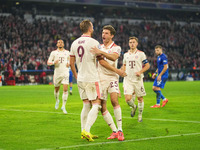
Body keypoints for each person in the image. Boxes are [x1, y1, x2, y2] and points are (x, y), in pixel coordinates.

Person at [91, 25, 125, 141]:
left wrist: (100, 52)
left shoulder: (116, 47)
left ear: (112, 35)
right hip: (100, 78)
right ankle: (114, 131)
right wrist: (118, 71)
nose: (103, 35)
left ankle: (120, 130)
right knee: (102, 107)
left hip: (112, 78)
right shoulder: (98, 47)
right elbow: (101, 62)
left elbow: (113, 58)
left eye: (106, 33)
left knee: (114, 100)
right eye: (102, 32)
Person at [70, 20, 102, 142]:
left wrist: (76, 75)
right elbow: (101, 60)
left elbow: (71, 62)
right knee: (96, 104)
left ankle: (83, 131)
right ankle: (87, 130)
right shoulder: (94, 42)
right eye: (92, 26)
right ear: (90, 28)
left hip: (81, 78)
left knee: (86, 105)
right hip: (91, 77)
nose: (93, 28)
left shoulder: (74, 43)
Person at [122, 36, 150, 122]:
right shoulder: (126, 54)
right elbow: (124, 65)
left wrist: (140, 72)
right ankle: (134, 107)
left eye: (133, 42)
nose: (132, 44)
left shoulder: (141, 54)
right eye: (130, 42)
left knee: (140, 98)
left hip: (138, 80)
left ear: (137, 43)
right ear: (128, 44)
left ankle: (140, 116)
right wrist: (122, 71)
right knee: (127, 99)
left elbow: (147, 65)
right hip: (128, 80)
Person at [47, 39, 70, 114]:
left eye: (62, 42)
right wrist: (53, 62)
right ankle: (57, 101)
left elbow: (70, 60)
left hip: (65, 72)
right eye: (59, 42)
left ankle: (63, 106)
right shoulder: (54, 53)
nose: (60, 43)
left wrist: (69, 63)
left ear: (63, 44)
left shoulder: (67, 52)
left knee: (65, 89)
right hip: (57, 73)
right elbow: (48, 62)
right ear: (57, 44)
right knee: (56, 89)